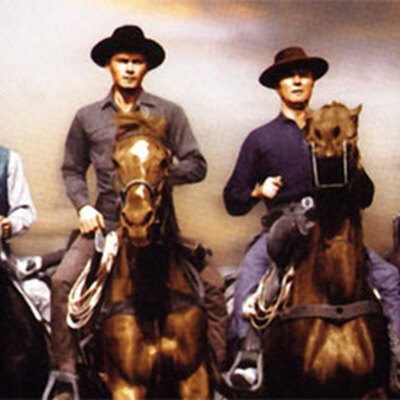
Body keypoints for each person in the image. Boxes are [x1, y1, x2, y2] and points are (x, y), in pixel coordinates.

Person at [44, 25, 227, 400]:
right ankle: (66, 376)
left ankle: (218, 372)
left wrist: (155, 175)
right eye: (122, 60)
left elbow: (196, 164)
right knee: (62, 281)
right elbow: (72, 169)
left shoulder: (169, 113)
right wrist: (83, 206)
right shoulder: (87, 117)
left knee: (212, 284)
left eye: (137, 61)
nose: (129, 68)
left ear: (146, 67)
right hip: (106, 225)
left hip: (158, 227)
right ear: (109, 65)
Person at [223, 46, 400, 393]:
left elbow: (366, 196)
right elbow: (233, 199)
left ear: (313, 83)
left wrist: (353, 161)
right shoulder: (261, 139)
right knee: (249, 278)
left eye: (303, 75)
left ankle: (397, 356)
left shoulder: (335, 130)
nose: (297, 80)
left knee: (391, 279)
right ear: (278, 86)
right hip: (282, 228)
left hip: (332, 229)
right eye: (289, 76)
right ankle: (247, 359)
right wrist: (258, 191)